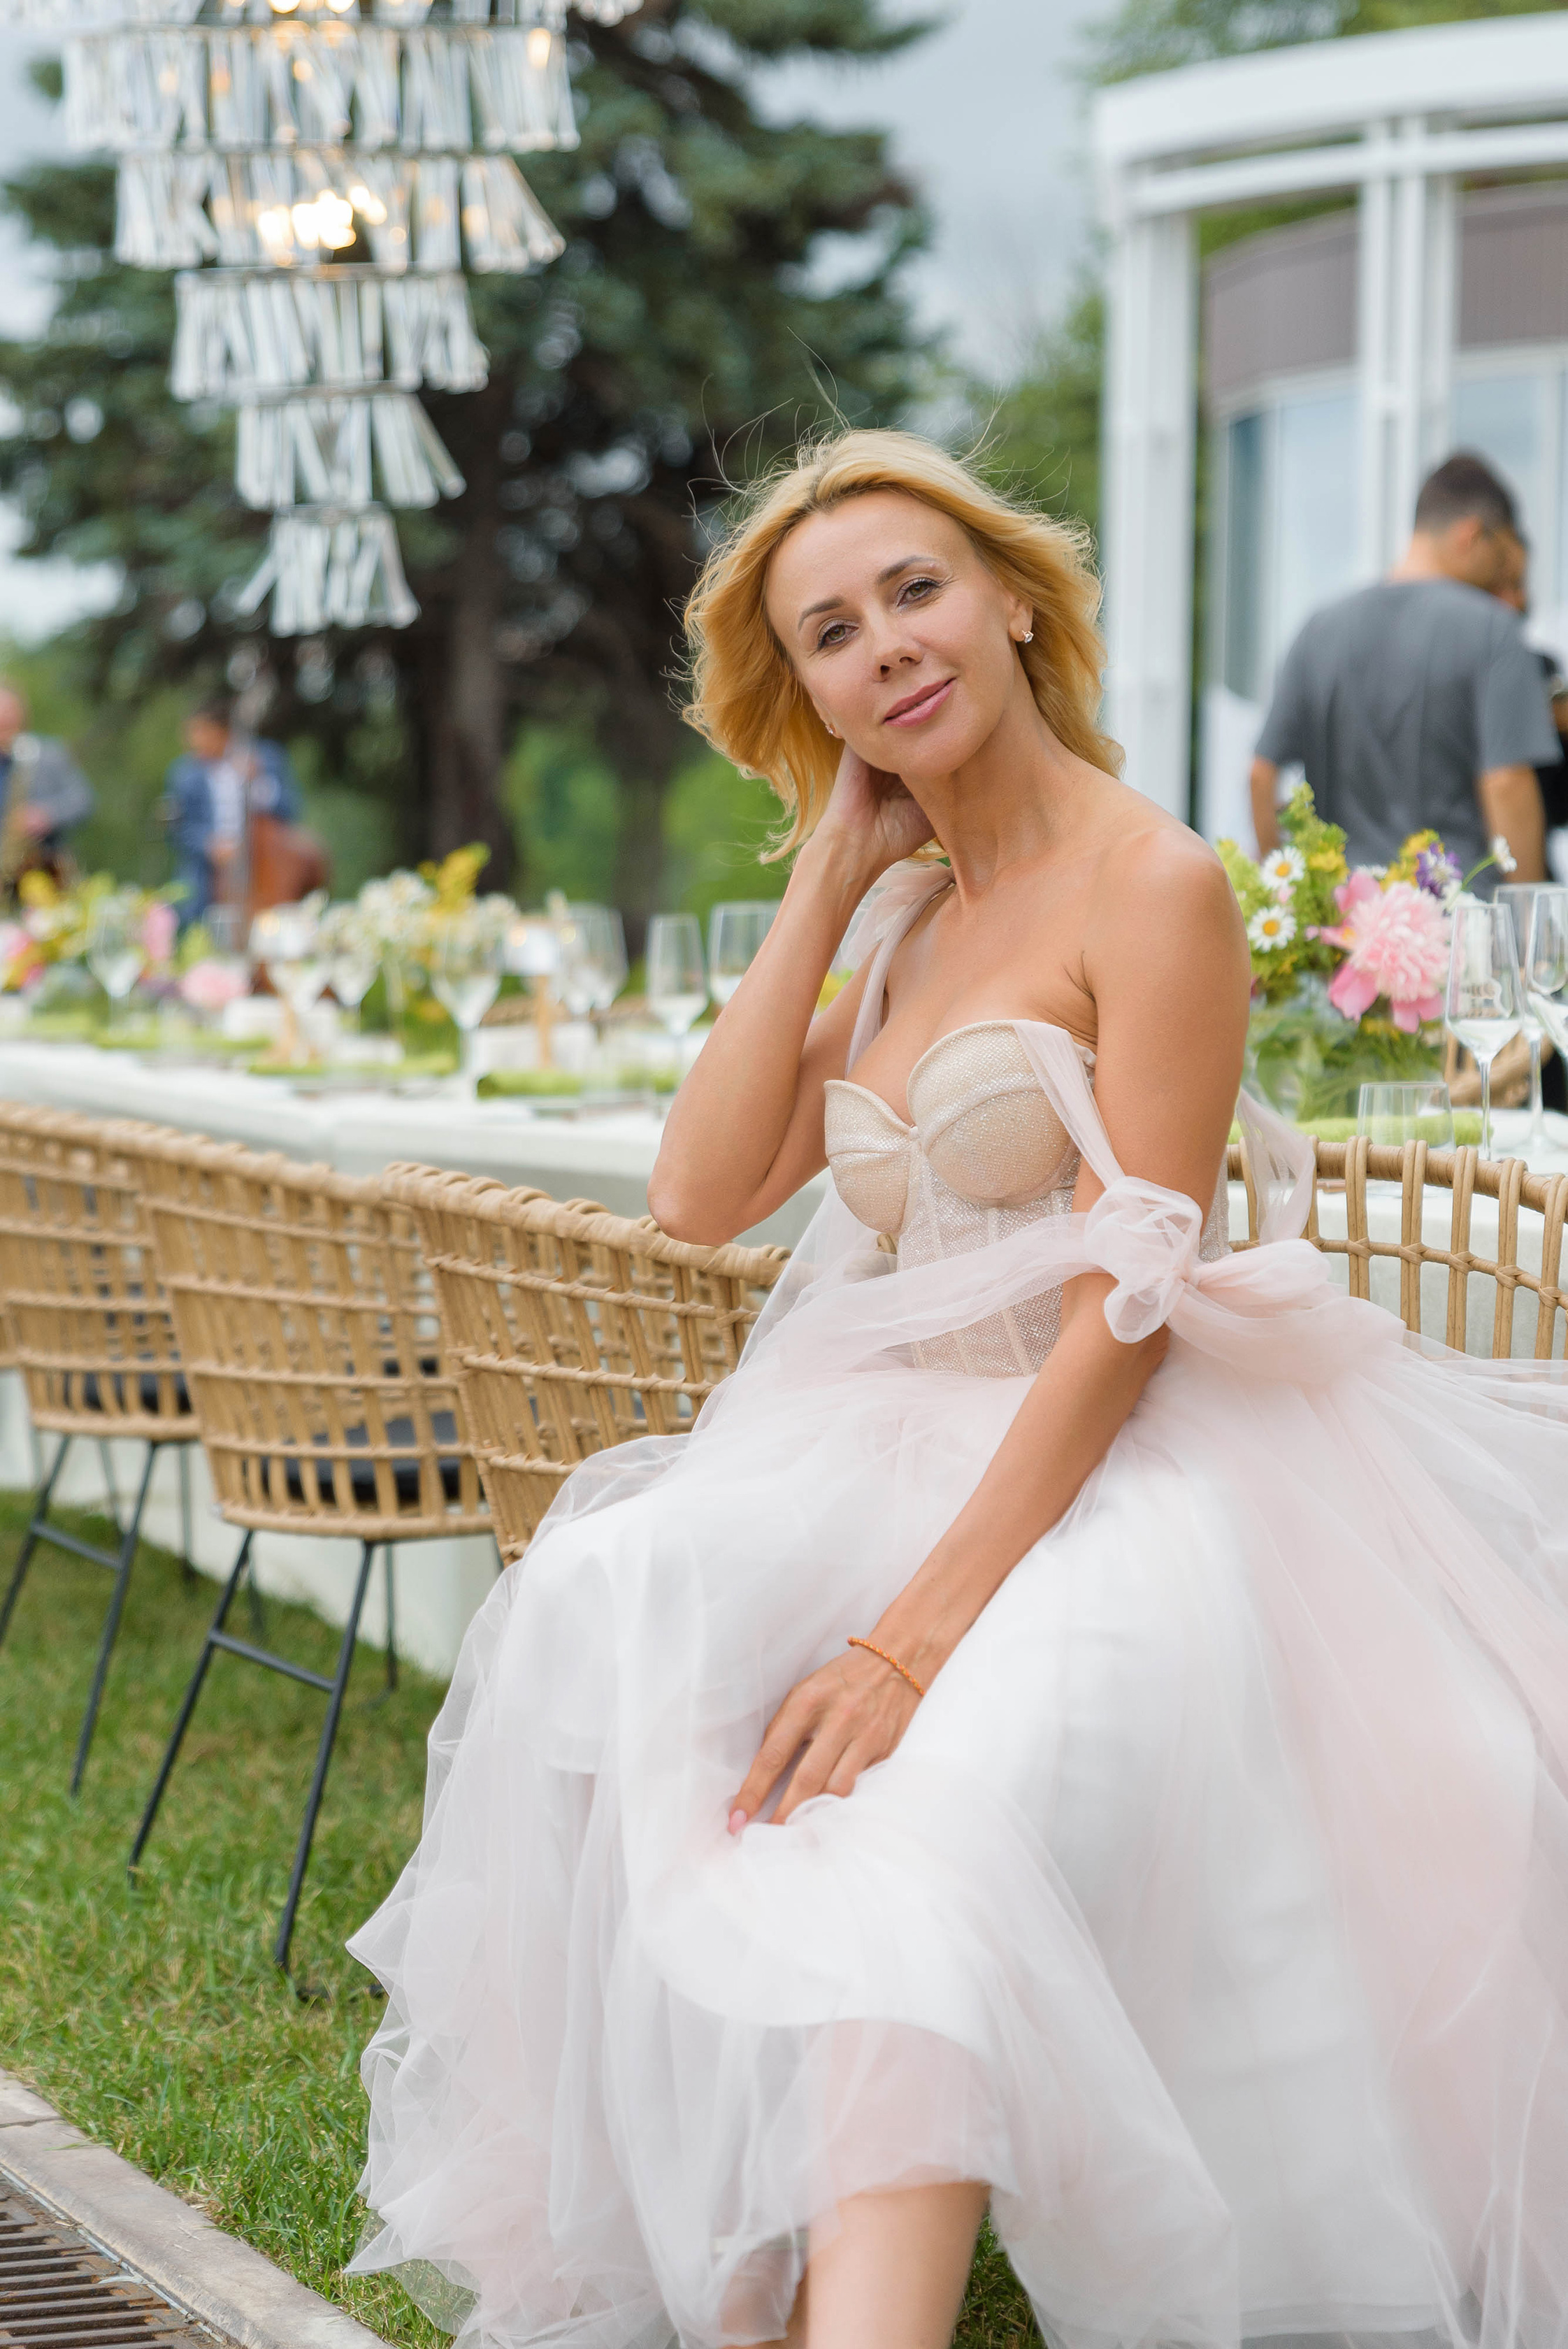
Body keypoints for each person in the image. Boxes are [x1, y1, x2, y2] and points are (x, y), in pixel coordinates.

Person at [349, 431, 1568, 2349]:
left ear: (1008, 599)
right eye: (830, 634)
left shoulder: (1151, 883)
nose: (886, 647)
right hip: (867, 1437)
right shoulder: (903, 912)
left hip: (1114, 1465)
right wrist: (833, 876)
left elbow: (1125, 1315)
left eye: (914, 591)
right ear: (809, 695)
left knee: (935, 1826)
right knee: (602, 1602)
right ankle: (744, 2252)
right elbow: (697, 1194)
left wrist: (906, 1644)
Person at [1250, 451, 1555, 887]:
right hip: (1457, 915)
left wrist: (1287, 888)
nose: (1507, 585)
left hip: (1345, 916)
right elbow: (1507, 782)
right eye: (1502, 558)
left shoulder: (1319, 628)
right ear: (1470, 536)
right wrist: (1526, 915)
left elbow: (1261, 775)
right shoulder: (1494, 631)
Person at [163, 696, 301, 925]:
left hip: (263, 867)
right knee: (186, 906)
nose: (192, 741)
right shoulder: (183, 773)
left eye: (199, 732)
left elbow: (290, 810)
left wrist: (258, 783)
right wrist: (210, 845)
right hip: (206, 871)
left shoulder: (266, 758)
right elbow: (178, 829)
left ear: (222, 731)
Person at [0, 685, 95, 886]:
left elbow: (83, 799)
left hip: (44, 870)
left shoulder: (48, 754)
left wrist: (47, 815)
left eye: (9, 713)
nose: (4, 720)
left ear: (22, 716)